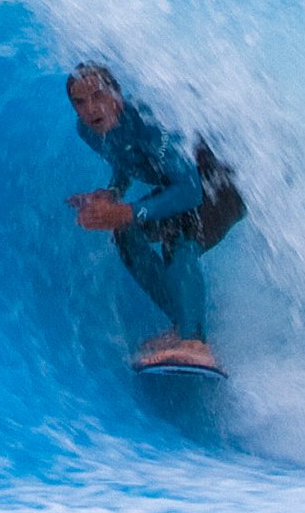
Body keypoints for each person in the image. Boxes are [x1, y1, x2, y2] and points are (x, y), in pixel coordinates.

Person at [65, 63, 245, 370]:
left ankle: (195, 343)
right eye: (79, 102)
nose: (90, 109)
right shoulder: (88, 131)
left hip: (223, 184)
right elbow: (125, 159)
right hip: (185, 186)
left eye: (98, 96)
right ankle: (185, 324)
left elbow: (189, 190)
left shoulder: (150, 123)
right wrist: (113, 192)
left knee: (180, 238)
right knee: (126, 233)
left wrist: (127, 210)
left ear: (116, 96)